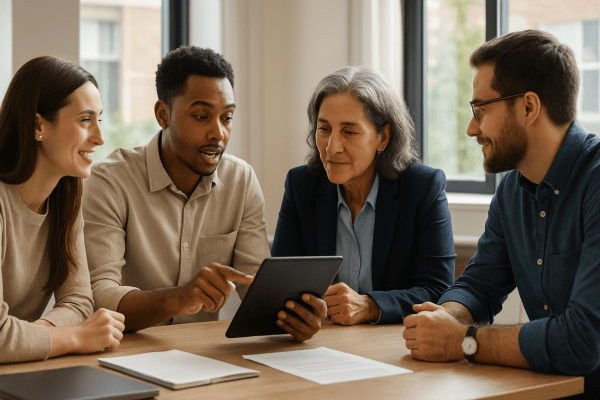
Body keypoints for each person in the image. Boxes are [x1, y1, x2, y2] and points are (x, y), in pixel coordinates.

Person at [403, 30, 600, 399]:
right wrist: (447, 317)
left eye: (481, 110)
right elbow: (479, 285)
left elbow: (582, 340)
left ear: (528, 107)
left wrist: (464, 340)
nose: (471, 128)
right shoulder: (512, 190)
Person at [82, 46, 326, 341]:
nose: (218, 133)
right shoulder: (110, 181)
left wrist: (294, 317)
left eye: (227, 118)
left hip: (202, 355)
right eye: (201, 116)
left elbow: (258, 286)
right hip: (126, 353)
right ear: (163, 115)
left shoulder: (242, 180)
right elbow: (100, 296)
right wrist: (178, 298)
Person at [271, 66, 455, 326]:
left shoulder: (423, 187)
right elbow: (282, 287)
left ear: (383, 138)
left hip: (395, 345)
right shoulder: (302, 185)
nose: (332, 147)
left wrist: (370, 305)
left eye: (349, 132)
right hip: (319, 343)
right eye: (324, 129)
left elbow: (438, 291)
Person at [0, 56, 125, 364]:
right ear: (39, 125)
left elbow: (79, 302)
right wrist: (75, 337)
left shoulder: (65, 199)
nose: (99, 137)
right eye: (85, 120)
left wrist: (31, 339)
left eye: (99, 119)